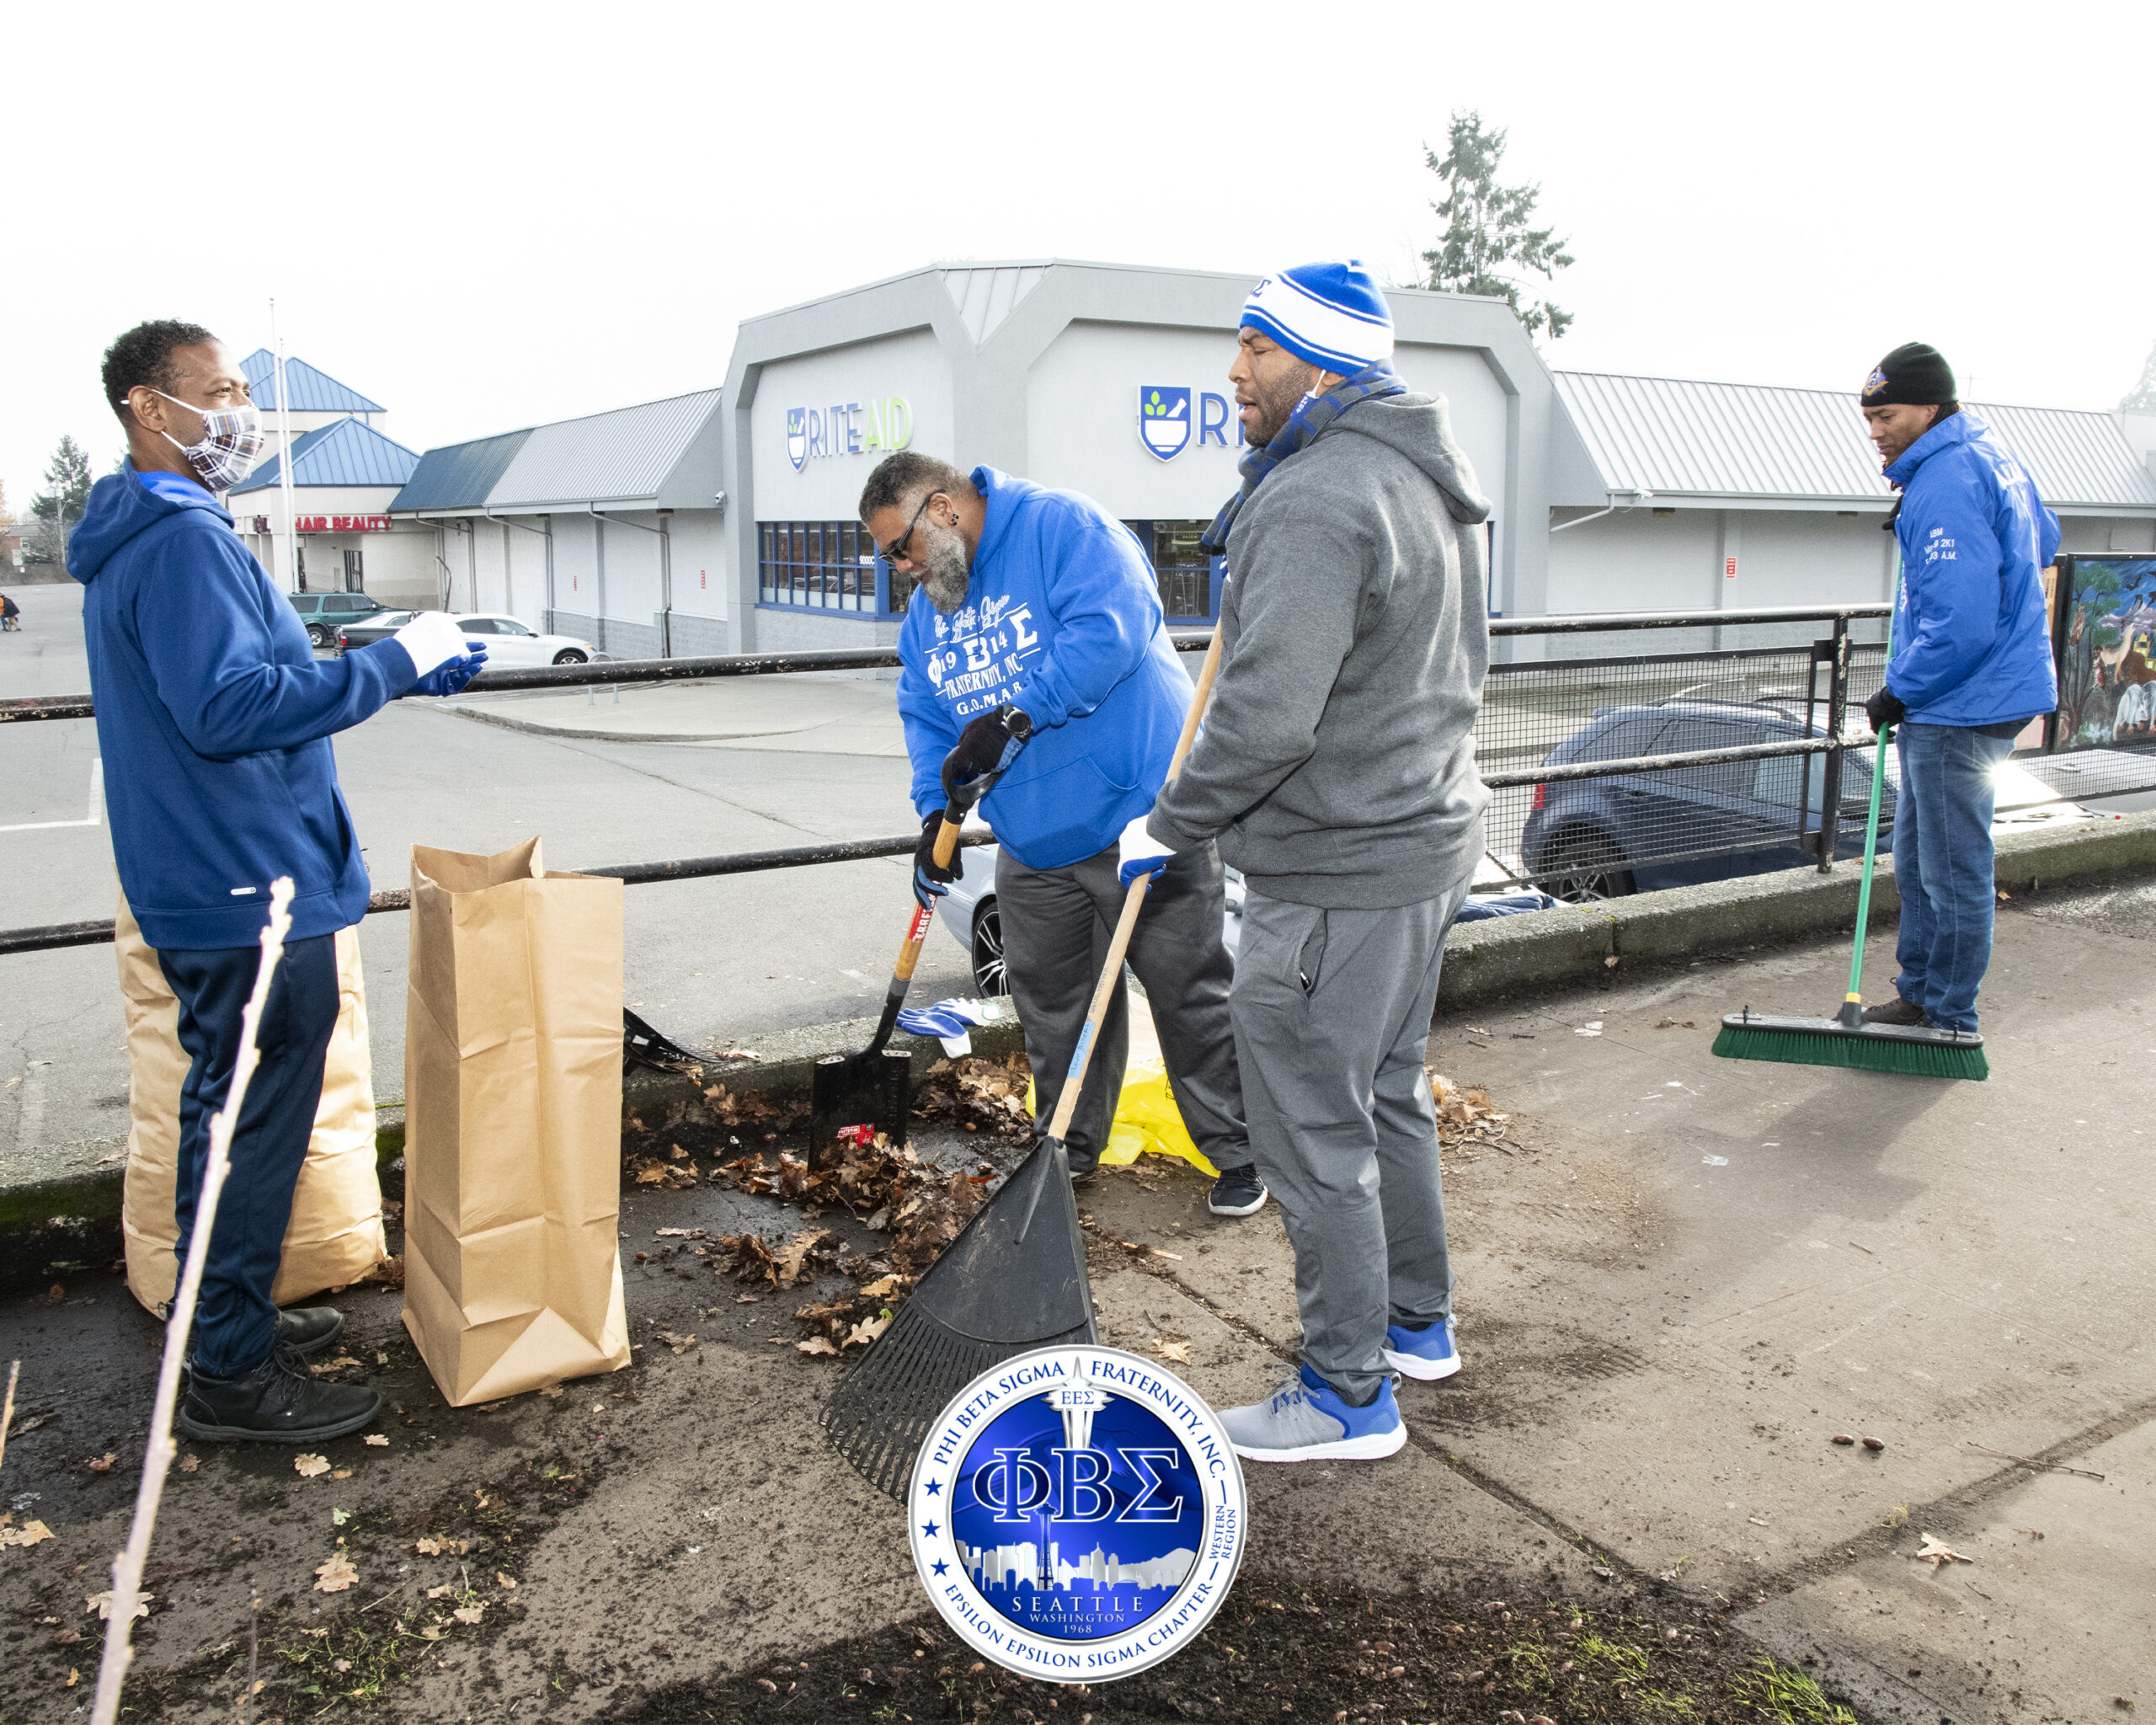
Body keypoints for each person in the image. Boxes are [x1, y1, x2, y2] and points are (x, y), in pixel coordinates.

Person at [70, 320, 485, 1444]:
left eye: (245, 386)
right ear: (150, 409)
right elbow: (229, 709)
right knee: (255, 1132)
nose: (241, 410)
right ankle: (231, 1381)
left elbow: (243, 677)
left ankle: (224, 1325)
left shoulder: (152, 534)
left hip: (206, 881)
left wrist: (395, 660)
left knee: (224, 1120)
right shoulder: (183, 542)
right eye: (219, 390)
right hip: (249, 886)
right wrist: (389, 664)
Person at [1123, 260, 1492, 1463]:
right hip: (1427, 842)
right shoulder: (1417, 480)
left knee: (1310, 1135)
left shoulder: (1314, 499)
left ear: (1321, 362)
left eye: (1255, 349)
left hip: (1338, 872)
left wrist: (1168, 824)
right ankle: (1414, 1326)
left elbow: (1265, 718)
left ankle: (1346, 1394)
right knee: (1387, 1095)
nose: (1232, 372)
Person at [862, 450, 1264, 1217]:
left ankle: (1241, 1152)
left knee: (1190, 997)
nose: (900, 567)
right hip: (1035, 841)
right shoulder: (930, 613)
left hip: (1143, 820)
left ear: (942, 508)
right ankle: (1067, 1151)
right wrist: (931, 813)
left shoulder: (1061, 527)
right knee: (1051, 1006)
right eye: (887, 556)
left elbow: (1113, 632)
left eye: (900, 547)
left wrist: (1013, 716)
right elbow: (923, 713)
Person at [1857, 342, 2058, 1035]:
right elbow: (2045, 540)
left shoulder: (1944, 479)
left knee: (1947, 872)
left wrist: (1898, 692)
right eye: (1869, 418)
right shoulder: (1991, 455)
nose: (1876, 431)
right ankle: (1922, 995)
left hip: (1959, 702)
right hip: (1994, 692)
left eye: (1886, 415)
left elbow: (1960, 623)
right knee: (1919, 859)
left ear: (1929, 407)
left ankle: (1946, 1015)